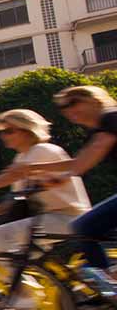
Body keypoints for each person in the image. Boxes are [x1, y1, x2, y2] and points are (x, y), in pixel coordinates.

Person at [9, 87, 117, 295]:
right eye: (62, 107)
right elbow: (79, 160)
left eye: (72, 103)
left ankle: (109, 291)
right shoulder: (101, 129)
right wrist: (32, 169)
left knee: (84, 226)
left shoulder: (111, 118)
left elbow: (96, 151)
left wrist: (64, 177)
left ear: (94, 100)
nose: (67, 110)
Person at [0, 109, 91, 253]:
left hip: (69, 217)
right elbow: (10, 203)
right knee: (21, 257)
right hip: (48, 219)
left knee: (1, 234)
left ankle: (18, 276)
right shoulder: (21, 158)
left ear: (27, 130)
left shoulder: (42, 150)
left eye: (9, 131)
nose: (3, 135)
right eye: (1, 132)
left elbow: (13, 176)